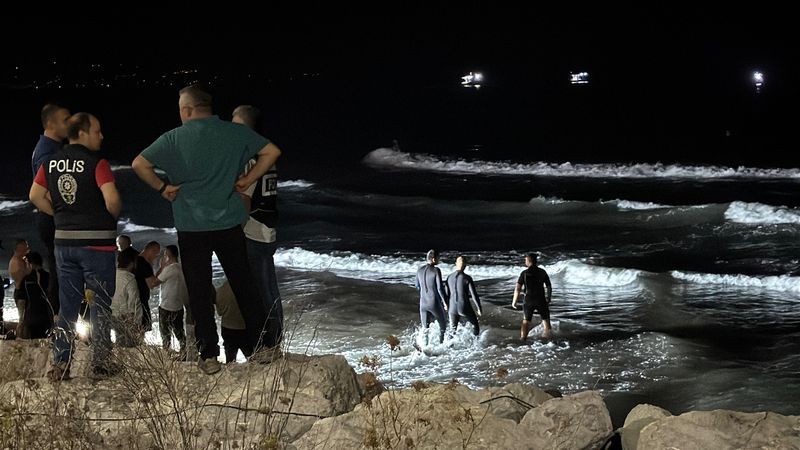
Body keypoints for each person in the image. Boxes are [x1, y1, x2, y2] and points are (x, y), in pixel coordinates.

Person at [132, 85, 282, 375]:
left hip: (191, 226)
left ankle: (209, 355)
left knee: (199, 291)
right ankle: (263, 346)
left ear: (187, 110)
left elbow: (140, 164)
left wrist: (163, 188)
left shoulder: (174, 138)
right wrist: (247, 178)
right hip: (228, 222)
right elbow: (272, 151)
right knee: (244, 284)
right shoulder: (234, 133)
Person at [29, 112, 120, 381]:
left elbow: (35, 195)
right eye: (97, 131)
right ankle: (101, 364)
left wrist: (59, 216)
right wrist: (108, 216)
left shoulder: (51, 163)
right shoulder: (97, 163)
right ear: (82, 133)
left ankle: (61, 364)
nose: (101, 136)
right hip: (98, 245)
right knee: (100, 305)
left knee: (68, 306)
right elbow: (112, 200)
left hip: (64, 244)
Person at [232, 105, 284, 348]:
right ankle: (275, 341)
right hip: (267, 229)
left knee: (262, 293)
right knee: (268, 289)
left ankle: (269, 344)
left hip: (253, 232)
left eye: (236, 123)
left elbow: (244, 200)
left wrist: (233, 230)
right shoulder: (265, 157)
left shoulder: (251, 159)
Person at [32, 104, 71, 309]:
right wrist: (63, 217)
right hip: (52, 218)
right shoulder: (47, 153)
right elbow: (43, 193)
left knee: (61, 268)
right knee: (60, 270)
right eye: (65, 119)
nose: (70, 123)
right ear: (50, 124)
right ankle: (57, 321)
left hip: (50, 218)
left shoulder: (50, 148)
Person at [155, 245, 189, 354]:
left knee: (165, 334)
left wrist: (161, 267)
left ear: (167, 255)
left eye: (165, 254)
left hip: (166, 306)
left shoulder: (169, 269)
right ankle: (184, 353)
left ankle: (167, 355)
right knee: (179, 332)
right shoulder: (181, 268)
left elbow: (153, 283)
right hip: (178, 306)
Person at [512, 253, 552, 340]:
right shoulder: (542, 272)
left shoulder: (524, 273)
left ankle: (523, 339)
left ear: (529, 261)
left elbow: (518, 288)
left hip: (528, 300)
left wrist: (514, 301)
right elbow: (548, 286)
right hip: (540, 299)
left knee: (526, 321)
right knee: (546, 321)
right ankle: (546, 340)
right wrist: (549, 297)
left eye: (525, 260)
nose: (525, 262)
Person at [16, 251, 54, 339]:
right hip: (47, 318)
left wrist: (21, 320)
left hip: (31, 318)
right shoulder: (49, 277)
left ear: (30, 264)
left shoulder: (26, 279)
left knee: (32, 347)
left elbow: (22, 300)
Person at [415, 249, 448, 345]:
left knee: (425, 329)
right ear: (433, 259)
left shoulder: (419, 270)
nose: (439, 260)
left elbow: (417, 286)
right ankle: (441, 346)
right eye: (438, 258)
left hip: (423, 304)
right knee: (443, 326)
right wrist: (445, 303)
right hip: (433, 303)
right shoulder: (436, 270)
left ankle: (424, 349)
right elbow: (439, 289)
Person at [213, 280, 252, 363]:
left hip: (228, 328)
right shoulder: (248, 288)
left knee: (230, 359)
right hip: (244, 328)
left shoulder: (221, 290)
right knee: (251, 358)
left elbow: (220, 312)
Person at [445, 255, 482, 336]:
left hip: (452, 308)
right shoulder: (467, 278)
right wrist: (479, 308)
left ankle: (448, 347)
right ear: (465, 265)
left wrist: (446, 305)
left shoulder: (449, 277)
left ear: (455, 264)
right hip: (464, 307)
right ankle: (475, 346)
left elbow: (446, 295)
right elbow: (474, 295)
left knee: (452, 331)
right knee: (475, 326)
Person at [112, 250, 143, 347]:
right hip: (124, 318)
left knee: (118, 345)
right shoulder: (130, 279)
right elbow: (134, 303)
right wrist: (137, 323)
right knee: (128, 348)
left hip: (110, 315)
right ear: (132, 263)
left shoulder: (112, 275)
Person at [134, 241, 161, 331]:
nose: (155, 257)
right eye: (156, 254)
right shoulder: (144, 264)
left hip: (134, 298)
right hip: (141, 300)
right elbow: (152, 283)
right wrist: (163, 269)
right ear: (150, 250)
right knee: (142, 328)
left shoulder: (136, 259)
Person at [8, 239, 31, 330]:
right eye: (26, 246)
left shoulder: (20, 260)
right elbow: (24, 274)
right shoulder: (17, 261)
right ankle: (19, 335)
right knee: (22, 318)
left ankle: (21, 334)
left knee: (24, 317)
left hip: (21, 292)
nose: (28, 249)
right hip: (21, 292)